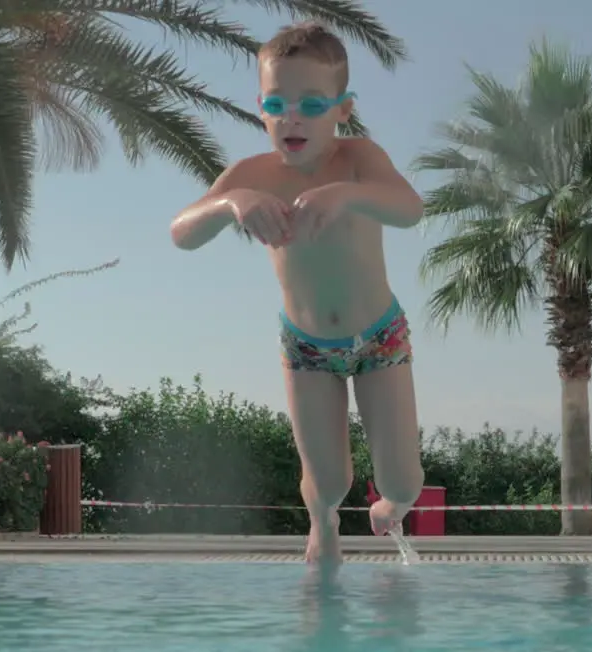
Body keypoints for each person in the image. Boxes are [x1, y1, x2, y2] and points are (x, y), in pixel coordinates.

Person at [168, 22, 426, 565]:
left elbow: (410, 208)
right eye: (277, 103)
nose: (292, 117)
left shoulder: (359, 160)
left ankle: (391, 508)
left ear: (343, 108)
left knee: (404, 480)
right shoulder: (252, 175)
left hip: (379, 335)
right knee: (327, 479)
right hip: (306, 348)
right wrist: (230, 202)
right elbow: (181, 232)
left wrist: (349, 196)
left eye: (311, 104)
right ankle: (322, 519)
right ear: (260, 107)